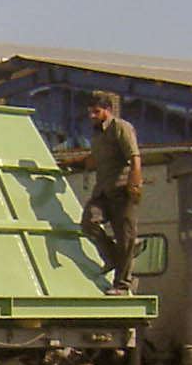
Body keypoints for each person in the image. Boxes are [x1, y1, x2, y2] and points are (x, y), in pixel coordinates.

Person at [61, 90, 143, 293]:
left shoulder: (120, 128)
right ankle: (113, 259)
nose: (91, 116)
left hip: (122, 192)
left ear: (107, 110)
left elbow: (135, 158)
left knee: (125, 239)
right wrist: (70, 163)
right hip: (103, 192)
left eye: (96, 112)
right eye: (90, 112)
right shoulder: (97, 134)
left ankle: (122, 285)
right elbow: (93, 160)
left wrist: (135, 185)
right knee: (89, 222)